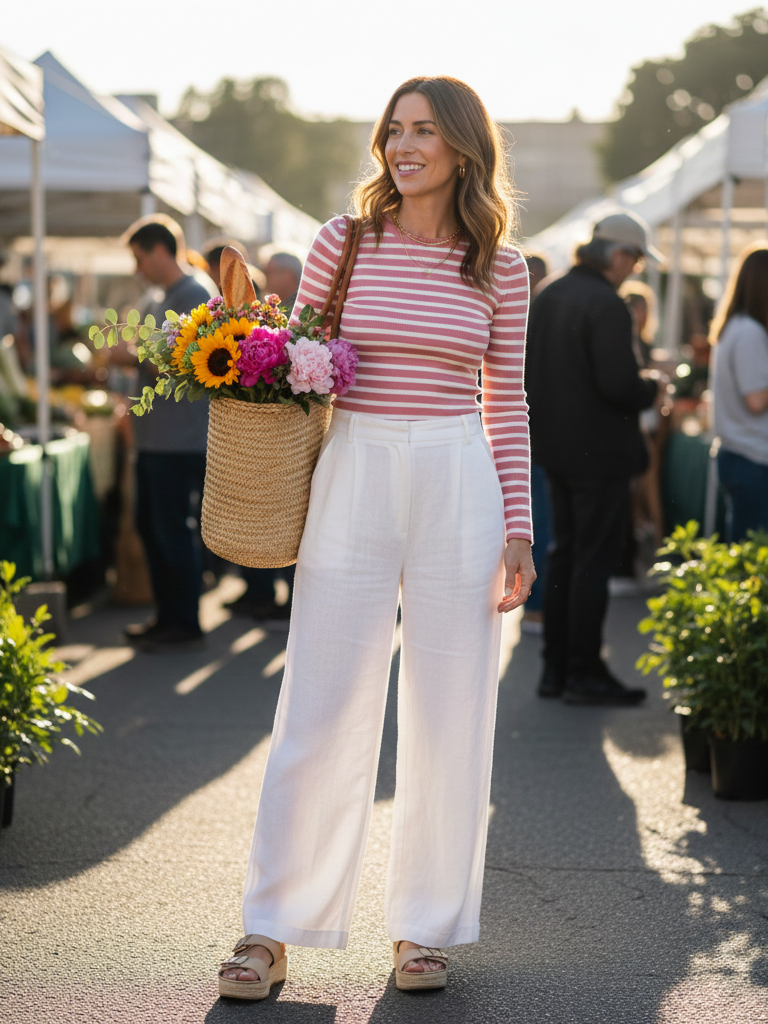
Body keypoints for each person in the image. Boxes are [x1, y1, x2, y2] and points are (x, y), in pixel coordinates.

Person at [218, 75, 534, 1000]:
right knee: (318, 696)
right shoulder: (342, 242)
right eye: (393, 129)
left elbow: (505, 400)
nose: (403, 144)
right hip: (352, 461)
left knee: (451, 706)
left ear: (464, 148)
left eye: (424, 130)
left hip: (456, 469)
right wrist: (246, 362)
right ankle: (272, 928)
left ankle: (423, 930)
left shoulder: (502, 268)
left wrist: (518, 524)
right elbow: (303, 360)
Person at [526, 212, 659, 705]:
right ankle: (582, 668)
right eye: (637, 261)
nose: (635, 271)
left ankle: (556, 669)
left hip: (555, 447)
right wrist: (653, 387)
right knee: (591, 561)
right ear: (620, 255)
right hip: (599, 453)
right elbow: (620, 384)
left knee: (565, 553)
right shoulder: (606, 304)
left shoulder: (553, 292)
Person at [124, 217, 213, 651]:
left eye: (139, 258)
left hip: (179, 440)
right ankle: (169, 615)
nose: (137, 268)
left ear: (159, 250)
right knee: (156, 527)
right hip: (158, 438)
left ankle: (184, 620)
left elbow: (187, 362)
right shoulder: (164, 297)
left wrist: (134, 355)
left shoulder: (195, 294)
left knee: (172, 529)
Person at [222, 250, 305, 624]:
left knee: (288, 518)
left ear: (289, 275)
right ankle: (263, 593)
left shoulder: (298, 313)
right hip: (262, 430)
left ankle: (288, 599)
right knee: (264, 516)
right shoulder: (266, 312)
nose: (266, 277)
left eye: (272, 272)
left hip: (288, 435)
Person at [710, 244, 768, 540]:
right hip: (751, 457)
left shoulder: (736, 327)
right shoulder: (749, 332)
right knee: (750, 557)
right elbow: (756, 399)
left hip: (740, 454)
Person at [521, 254, 550, 635]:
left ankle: (535, 606)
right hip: (535, 435)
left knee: (534, 520)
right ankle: (536, 607)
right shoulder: (540, 317)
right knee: (537, 520)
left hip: (531, 433)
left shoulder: (537, 316)